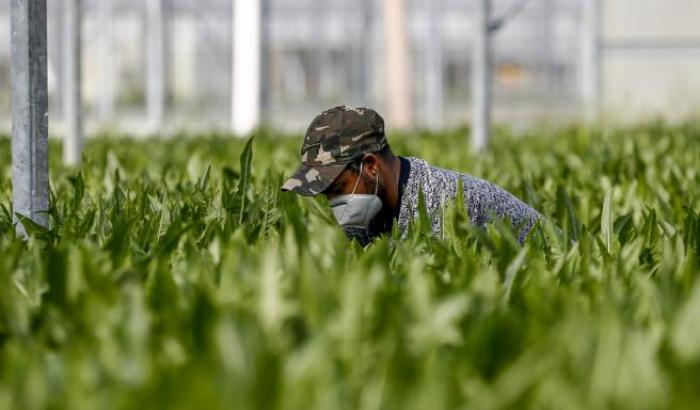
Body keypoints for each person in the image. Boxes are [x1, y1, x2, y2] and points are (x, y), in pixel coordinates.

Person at [281, 106, 542, 245]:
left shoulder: (444, 205)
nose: (333, 201)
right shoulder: (371, 205)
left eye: (337, 187)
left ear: (370, 166)